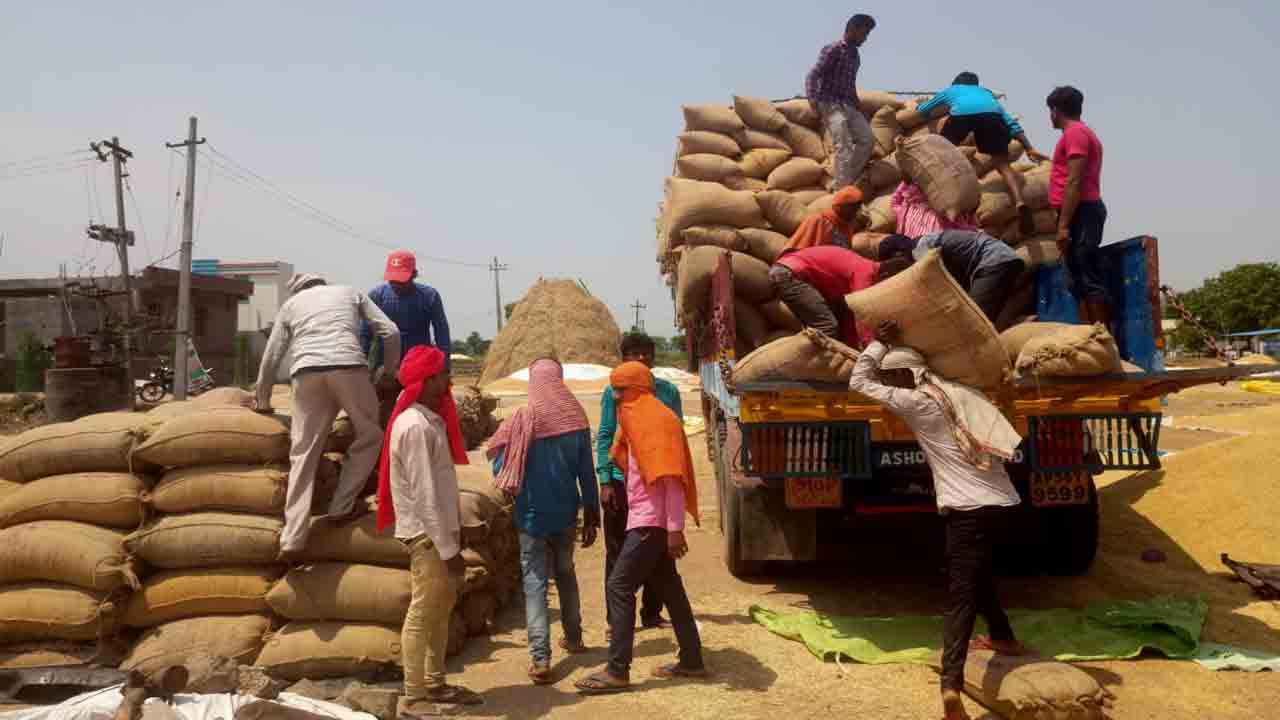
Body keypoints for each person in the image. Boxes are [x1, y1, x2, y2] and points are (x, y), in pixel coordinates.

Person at [849, 320, 1027, 720]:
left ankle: (951, 686)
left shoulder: (917, 403)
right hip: (1003, 504)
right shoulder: (962, 392)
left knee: (960, 594)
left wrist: (878, 343)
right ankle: (1003, 637)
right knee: (973, 570)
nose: (890, 382)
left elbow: (858, 380)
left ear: (903, 376)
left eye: (893, 377)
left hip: (968, 508)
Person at [253, 273, 401, 562]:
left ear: (297, 290)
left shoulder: (291, 305)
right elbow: (390, 331)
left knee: (303, 452)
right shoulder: (348, 291)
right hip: (349, 368)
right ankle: (341, 506)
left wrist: (263, 400)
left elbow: (272, 355)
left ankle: (293, 537)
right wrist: (389, 370)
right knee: (370, 436)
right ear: (322, 284)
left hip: (306, 374)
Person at [575, 362, 704, 695]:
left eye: (620, 390)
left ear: (636, 389)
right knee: (670, 589)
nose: (615, 397)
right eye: (614, 390)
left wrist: (674, 529)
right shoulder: (639, 417)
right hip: (648, 520)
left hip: (652, 523)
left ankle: (617, 671)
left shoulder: (654, 420)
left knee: (619, 586)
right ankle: (691, 659)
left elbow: (672, 478)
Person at [378, 346, 481, 709]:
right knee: (422, 613)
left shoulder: (428, 420)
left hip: (440, 533)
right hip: (426, 537)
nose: (448, 381)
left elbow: (440, 487)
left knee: (441, 609)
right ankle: (414, 696)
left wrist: (456, 531)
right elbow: (423, 495)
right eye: (441, 375)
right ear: (426, 381)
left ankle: (436, 684)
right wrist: (448, 549)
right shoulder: (415, 427)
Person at [487, 358, 600, 685]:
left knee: (535, 584)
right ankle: (574, 637)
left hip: (531, 516)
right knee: (566, 573)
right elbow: (586, 475)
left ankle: (540, 658)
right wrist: (591, 513)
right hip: (566, 514)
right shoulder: (576, 419)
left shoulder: (522, 420)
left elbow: (501, 471)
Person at [597, 333, 683, 633]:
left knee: (658, 553)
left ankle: (651, 613)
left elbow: (677, 438)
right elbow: (606, 435)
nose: (642, 358)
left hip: (656, 484)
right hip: (623, 481)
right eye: (634, 353)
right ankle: (616, 620)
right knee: (617, 552)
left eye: (646, 353)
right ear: (624, 359)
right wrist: (606, 480)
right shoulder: (614, 393)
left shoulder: (668, 391)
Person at [917, 72, 1050, 235]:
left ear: (956, 83)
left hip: (961, 116)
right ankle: (1020, 201)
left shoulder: (952, 90)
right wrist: (1029, 147)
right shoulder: (986, 94)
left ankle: (938, 193)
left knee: (941, 151)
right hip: (992, 117)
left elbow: (924, 110)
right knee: (1003, 165)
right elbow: (1010, 122)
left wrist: (919, 105)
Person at [362, 251, 452, 426]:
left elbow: (441, 331)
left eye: (401, 279)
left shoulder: (429, 296)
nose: (396, 284)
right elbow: (365, 333)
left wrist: (444, 368)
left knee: (425, 416)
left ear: (414, 275)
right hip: (387, 369)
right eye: (392, 279)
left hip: (421, 371)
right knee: (384, 417)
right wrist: (364, 368)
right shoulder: (377, 296)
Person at [1046, 86, 1108, 326]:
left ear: (1056, 110)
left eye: (1050, 111)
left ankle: (1100, 338)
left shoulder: (1075, 134)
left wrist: (1063, 226)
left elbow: (1075, 180)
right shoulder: (1078, 134)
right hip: (1078, 211)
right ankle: (1088, 337)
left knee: (1087, 276)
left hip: (1082, 211)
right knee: (1078, 280)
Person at [877, 231, 1027, 322]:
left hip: (993, 261)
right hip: (1000, 259)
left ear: (899, 253)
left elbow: (940, 284)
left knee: (972, 319)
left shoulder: (920, 250)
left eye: (894, 263)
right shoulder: (925, 243)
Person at [805, 14, 877, 190]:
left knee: (867, 140)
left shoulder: (856, 56)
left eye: (868, 34)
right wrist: (812, 100)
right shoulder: (833, 49)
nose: (865, 38)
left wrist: (858, 103)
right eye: (864, 33)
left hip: (848, 105)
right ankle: (842, 192)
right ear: (852, 29)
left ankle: (841, 181)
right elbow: (813, 75)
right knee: (843, 146)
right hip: (830, 104)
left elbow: (850, 83)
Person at [770, 244, 880, 348]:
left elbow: (849, 317)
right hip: (789, 273)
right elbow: (860, 315)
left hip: (790, 273)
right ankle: (796, 364)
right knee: (827, 328)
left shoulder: (862, 269)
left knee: (828, 327)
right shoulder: (866, 272)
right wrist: (870, 346)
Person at [782, 186, 864, 253]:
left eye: (857, 208)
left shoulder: (847, 226)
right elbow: (802, 248)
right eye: (853, 208)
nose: (856, 212)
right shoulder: (818, 220)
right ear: (840, 207)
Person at [890, 180, 978, 239]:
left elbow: (895, 200)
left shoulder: (904, 210)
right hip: (931, 243)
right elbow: (966, 229)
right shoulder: (946, 210)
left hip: (924, 244)